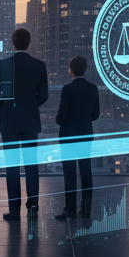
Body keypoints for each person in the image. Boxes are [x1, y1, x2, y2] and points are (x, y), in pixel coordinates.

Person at [0, 27, 48, 221]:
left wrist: (6, 106)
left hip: (9, 121)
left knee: (12, 167)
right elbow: (44, 96)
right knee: (31, 166)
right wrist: (30, 106)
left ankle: (14, 210)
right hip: (30, 120)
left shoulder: (2, 65)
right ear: (28, 43)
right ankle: (33, 207)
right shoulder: (39, 66)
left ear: (13, 43)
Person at [54, 55, 100, 220]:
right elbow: (95, 115)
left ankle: (71, 210)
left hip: (68, 136)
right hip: (85, 134)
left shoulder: (67, 89)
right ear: (85, 70)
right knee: (86, 171)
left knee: (70, 172)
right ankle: (86, 209)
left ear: (70, 70)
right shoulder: (93, 88)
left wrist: (59, 120)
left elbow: (61, 117)